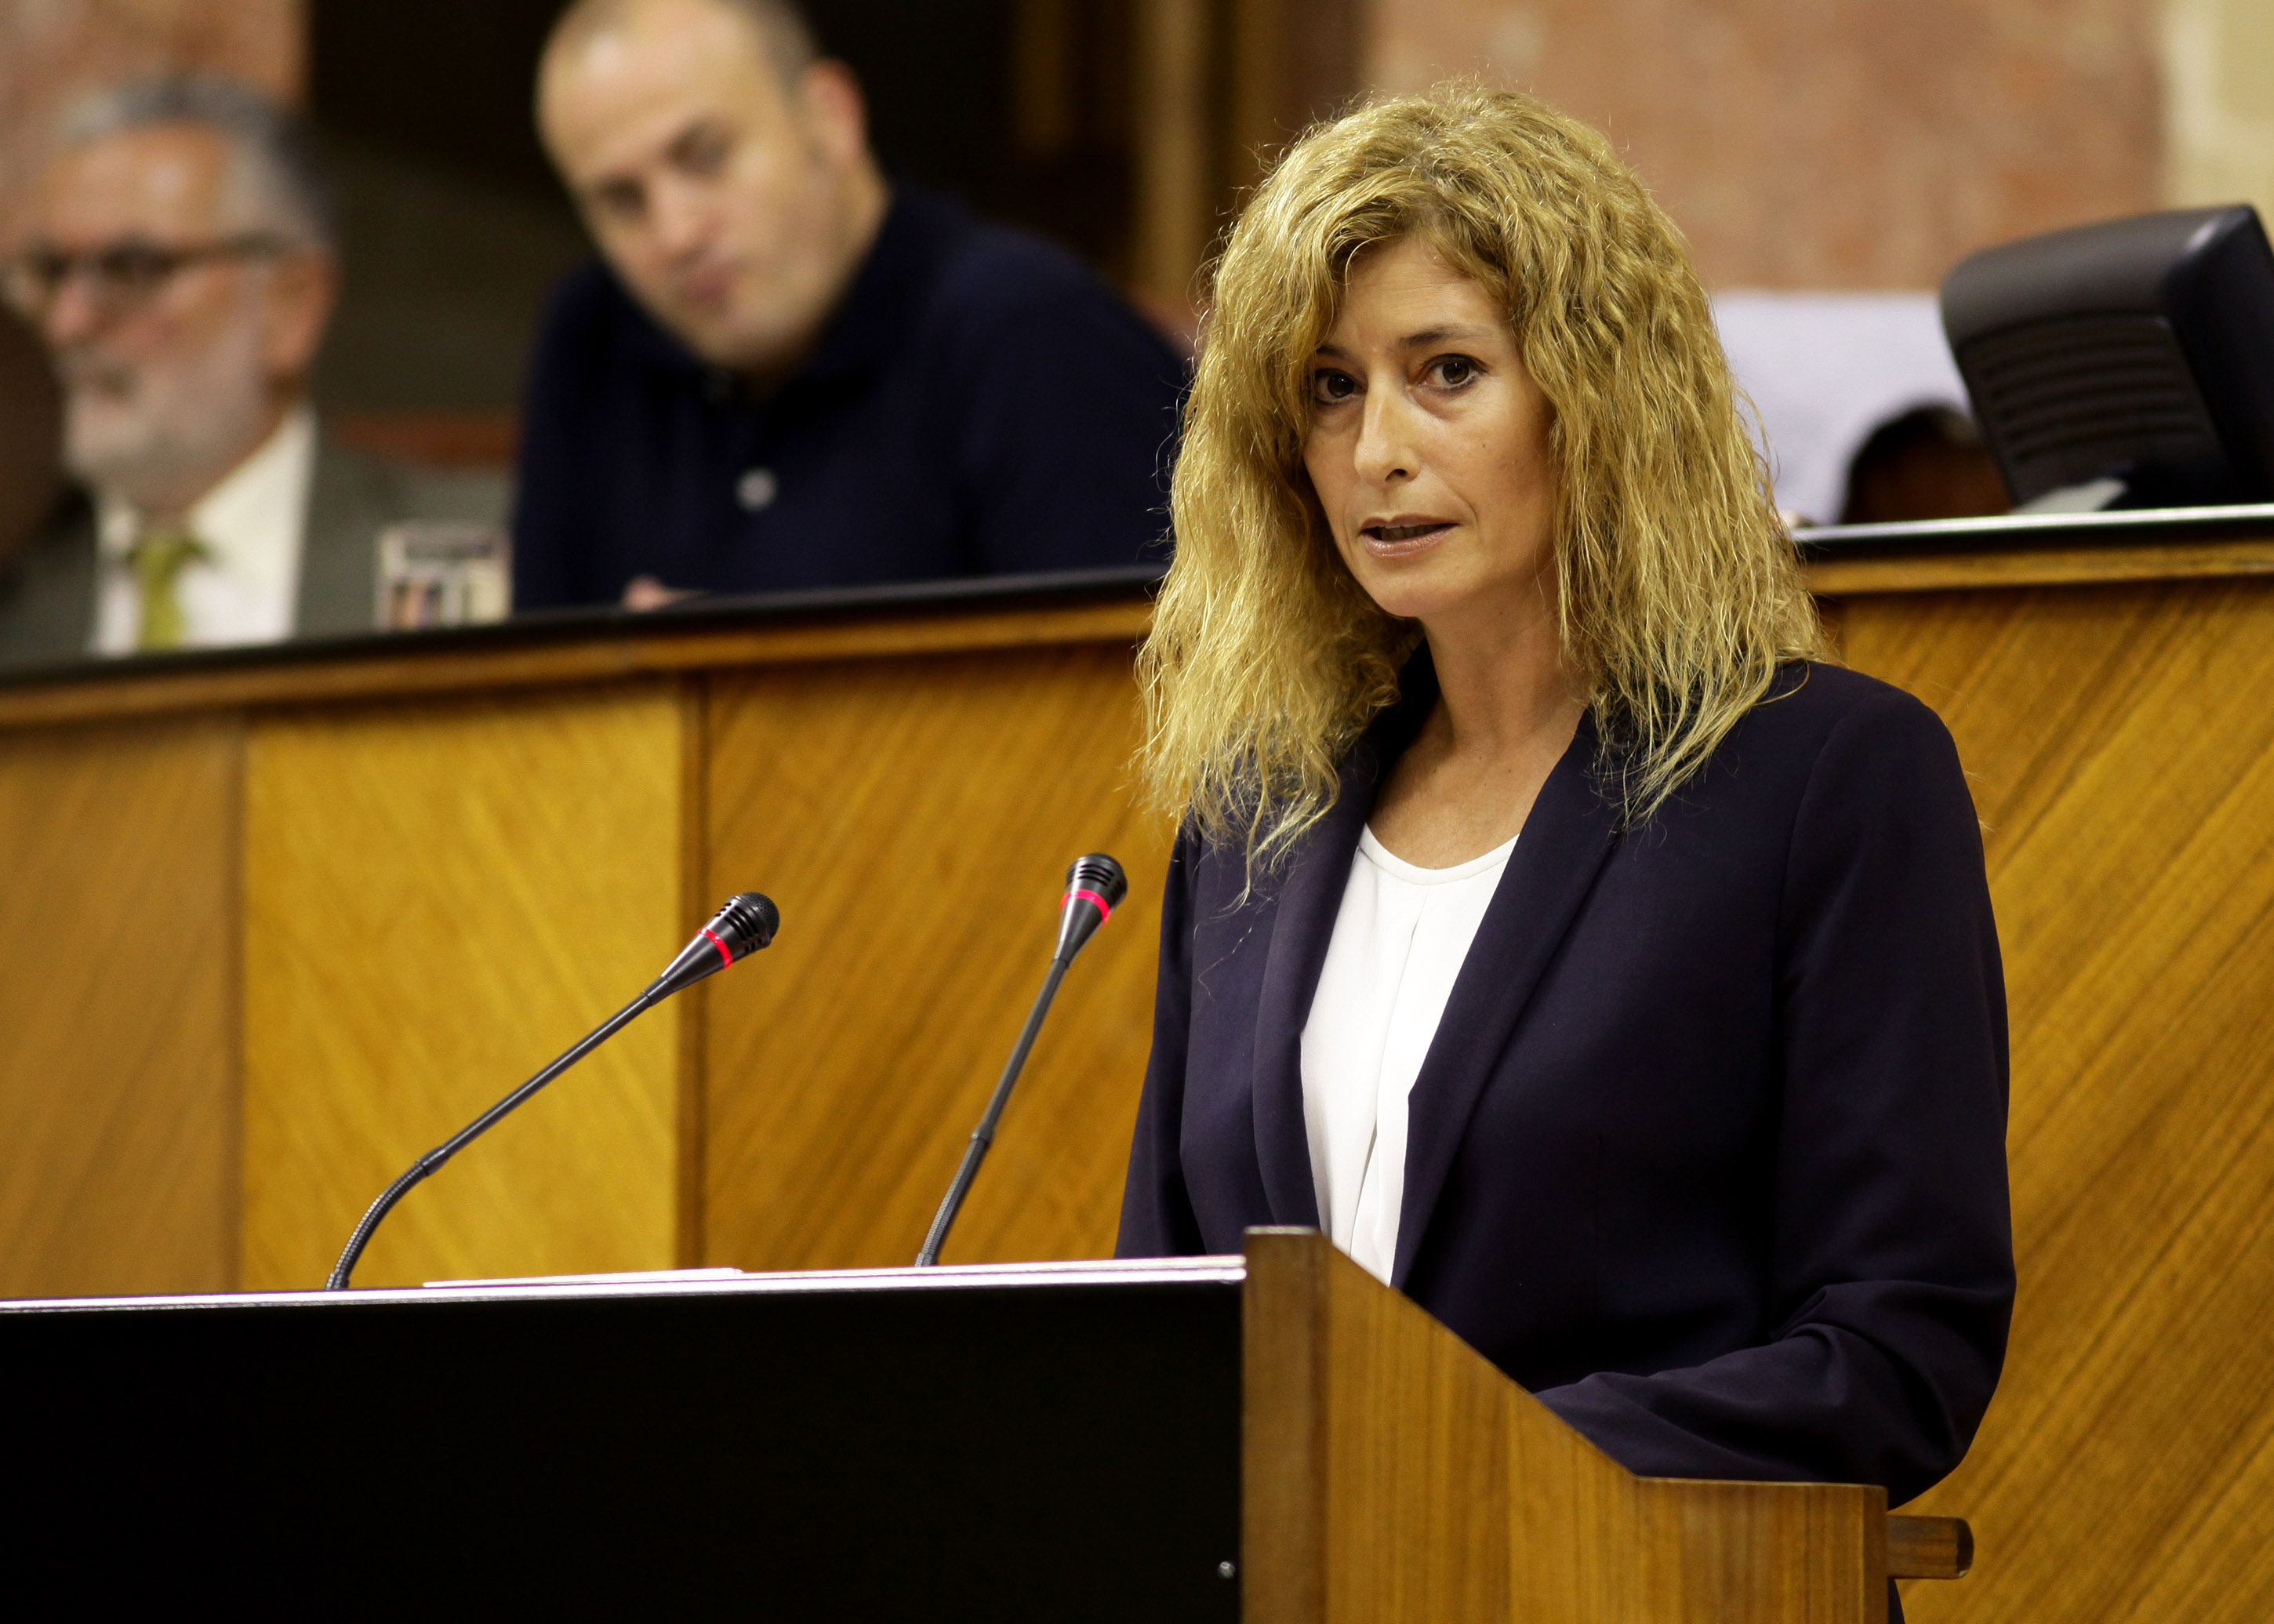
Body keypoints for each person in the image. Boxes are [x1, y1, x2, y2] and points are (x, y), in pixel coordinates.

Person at [1116, 85, 2014, 1567]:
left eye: (1446, 372)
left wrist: (1449, 1455)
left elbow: (1895, 1354)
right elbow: (1170, 1329)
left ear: (1594, 397)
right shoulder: (1250, 828)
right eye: (1330, 388)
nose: (1377, 448)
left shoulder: (1828, 780)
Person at [518, 0, 1184, 611]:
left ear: (829, 118)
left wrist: (756, 702)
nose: (677, 234)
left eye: (707, 156)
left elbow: (1145, 705)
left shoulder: (1034, 336)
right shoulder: (592, 340)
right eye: (621, 202)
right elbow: (532, 704)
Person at [0, 76, 507, 668]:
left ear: (290, 306)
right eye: (49, 271)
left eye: (132, 268)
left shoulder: (480, 546)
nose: (68, 324)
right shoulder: (17, 585)